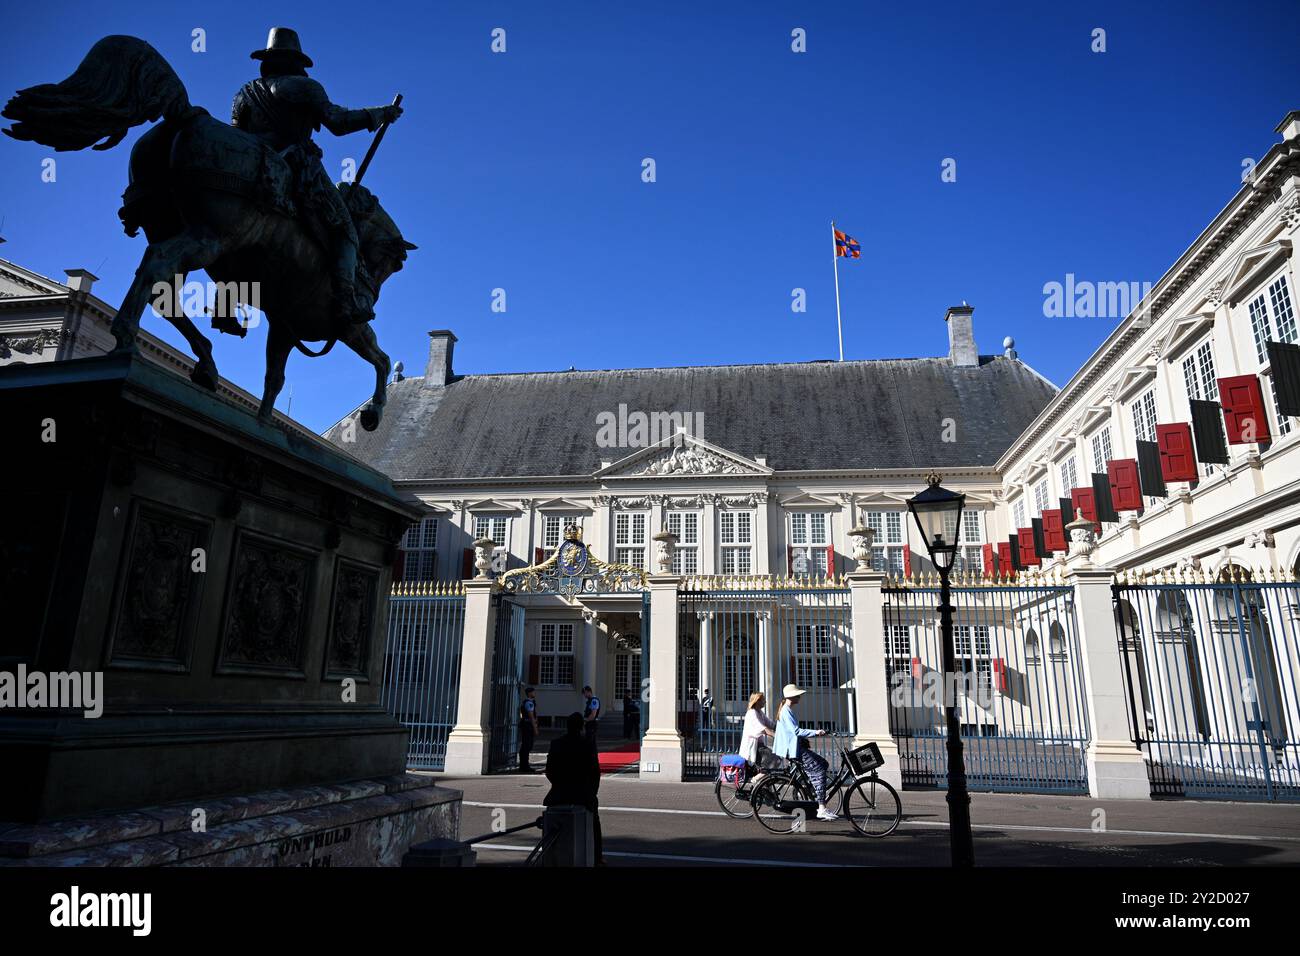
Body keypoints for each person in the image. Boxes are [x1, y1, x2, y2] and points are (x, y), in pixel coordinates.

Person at [230, 27, 403, 329]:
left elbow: (236, 137)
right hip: (297, 168)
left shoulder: (244, 93)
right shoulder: (304, 87)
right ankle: (345, 299)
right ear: (297, 61)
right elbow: (337, 121)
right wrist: (380, 114)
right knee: (346, 230)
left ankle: (228, 298)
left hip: (253, 168)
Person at [544, 712, 604, 864]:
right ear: (581, 727)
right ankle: (597, 857)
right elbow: (595, 772)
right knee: (594, 824)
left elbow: (549, 771)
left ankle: (550, 856)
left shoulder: (556, 743)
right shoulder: (588, 744)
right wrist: (592, 792)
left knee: (552, 826)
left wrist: (558, 785)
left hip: (559, 793)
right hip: (583, 794)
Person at [771, 683, 836, 821]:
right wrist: (816, 732)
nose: (800, 696)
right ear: (792, 696)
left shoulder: (787, 709)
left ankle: (814, 789)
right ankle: (821, 808)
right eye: (798, 694)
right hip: (793, 750)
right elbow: (795, 731)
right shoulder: (785, 711)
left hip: (796, 747)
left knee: (823, 763)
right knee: (818, 770)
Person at [738, 691, 777, 781]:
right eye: (763, 700)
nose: (765, 702)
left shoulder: (759, 712)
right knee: (774, 760)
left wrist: (781, 728)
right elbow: (763, 729)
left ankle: (765, 787)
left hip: (759, 746)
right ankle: (755, 780)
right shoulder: (752, 713)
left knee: (770, 764)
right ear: (757, 701)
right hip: (753, 747)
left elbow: (770, 724)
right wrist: (775, 736)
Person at [518, 686, 539, 774]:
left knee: (526, 746)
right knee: (527, 746)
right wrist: (535, 729)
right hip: (528, 726)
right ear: (529, 693)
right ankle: (525, 766)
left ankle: (523, 765)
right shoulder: (529, 703)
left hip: (526, 725)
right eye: (533, 692)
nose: (534, 693)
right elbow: (531, 716)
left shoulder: (529, 702)